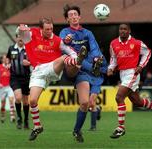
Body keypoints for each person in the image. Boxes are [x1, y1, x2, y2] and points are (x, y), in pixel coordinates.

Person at [17, 17, 79, 141]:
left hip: (52, 68)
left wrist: (76, 59)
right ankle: (37, 126)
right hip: (37, 72)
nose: (50, 31)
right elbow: (21, 33)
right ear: (41, 29)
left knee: (64, 57)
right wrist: (20, 28)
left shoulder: (57, 40)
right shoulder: (32, 34)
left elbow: (70, 50)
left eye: (51, 28)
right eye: (47, 29)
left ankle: (75, 62)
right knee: (32, 101)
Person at [107, 23, 152, 139]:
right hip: (122, 73)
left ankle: (121, 128)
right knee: (137, 102)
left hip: (132, 73)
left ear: (129, 31)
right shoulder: (113, 43)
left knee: (119, 97)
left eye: (125, 29)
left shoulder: (136, 43)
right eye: (121, 29)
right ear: (119, 31)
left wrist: (141, 66)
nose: (123, 31)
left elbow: (148, 52)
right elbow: (113, 59)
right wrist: (110, 68)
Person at [59, 5, 107, 143]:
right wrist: (66, 41)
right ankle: (79, 60)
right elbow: (62, 45)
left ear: (79, 17)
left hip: (83, 73)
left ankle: (76, 131)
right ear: (67, 19)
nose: (74, 16)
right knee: (74, 62)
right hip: (70, 67)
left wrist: (97, 57)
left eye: (76, 14)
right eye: (71, 15)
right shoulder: (64, 32)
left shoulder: (87, 33)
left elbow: (94, 48)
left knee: (85, 103)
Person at [7, 34, 30, 129]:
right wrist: (8, 64)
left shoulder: (28, 49)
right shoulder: (11, 48)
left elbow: (35, 60)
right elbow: (8, 58)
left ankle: (26, 120)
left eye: (22, 38)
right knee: (18, 98)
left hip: (26, 78)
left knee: (25, 102)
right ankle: (19, 118)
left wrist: (29, 63)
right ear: (16, 38)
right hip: (14, 77)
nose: (20, 39)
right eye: (19, 37)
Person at [0, 54, 15, 123]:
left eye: (7, 58)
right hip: (2, 87)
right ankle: (2, 116)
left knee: (11, 100)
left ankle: (12, 116)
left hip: (10, 86)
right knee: (3, 104)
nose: (6, 59)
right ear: (2, 60)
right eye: (5, 58)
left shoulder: (11, 67)